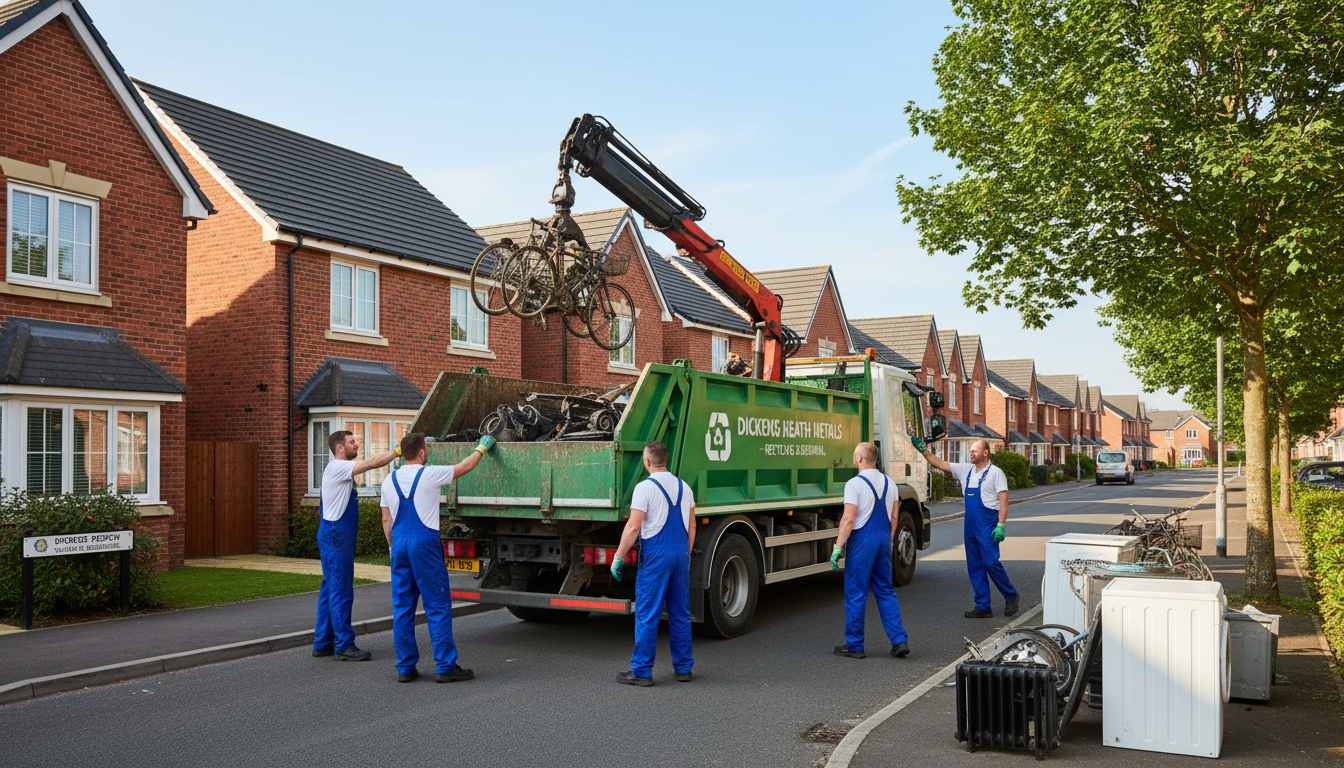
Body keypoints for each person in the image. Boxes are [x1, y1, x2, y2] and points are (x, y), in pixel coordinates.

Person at [380, 432, 496, 683]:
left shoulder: (389, 480)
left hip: (399, 544)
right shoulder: (429, 474)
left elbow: (386, 520)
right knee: (437, 605)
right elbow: (465, 466)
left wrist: (393, 548)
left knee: (402, 608)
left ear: (403, 453)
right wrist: (482, 447)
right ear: (422, 453)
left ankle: (405, 668)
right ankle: (445, 666)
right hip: (424, 546)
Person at [610, 441, 694, 686]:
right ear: (665, 460)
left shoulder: (644, 488)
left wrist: (618, 556)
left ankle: (642, 672)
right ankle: (683, 669)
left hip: (657, 556)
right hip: (680, 553)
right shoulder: (685, 487)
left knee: (648, 614)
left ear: (647, 462)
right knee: (680, 613)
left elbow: (634, 526)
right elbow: (692, 525)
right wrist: (685, 554)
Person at [313, 431, 401, 662]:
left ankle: (323, 642)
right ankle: (343, 645)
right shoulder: (338, 467)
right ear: (340, 447)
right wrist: (398, 451)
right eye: (352, 442)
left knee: (330, 587)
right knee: (341, 588)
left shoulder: (337, 469)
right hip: (336, 534)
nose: (356, 445)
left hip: (332, 533)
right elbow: (372, 463)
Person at [914, 437, 1019, 618]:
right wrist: (924, 451)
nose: (971, 453)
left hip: (988, 523)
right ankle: (983, 606)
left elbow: (1004, 501)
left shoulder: (996, 473)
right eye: (970, 450)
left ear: (985, 453)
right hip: (970, 524)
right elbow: (939, 463)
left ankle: (1011, 595)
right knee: (975, 565)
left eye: (975, 450)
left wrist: (1001, 525)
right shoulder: (966, 470)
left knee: (990, 562)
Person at [829, 442, 910, 659]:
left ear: (860, 459)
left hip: (862, 543)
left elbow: (848, 519)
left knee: (856, 592)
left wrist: (837, 547)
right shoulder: (890, 483)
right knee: (885, 590)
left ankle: (855, 645)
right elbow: (894, 517)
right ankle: (899, 640)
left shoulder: (854, 484)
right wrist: (887, 540)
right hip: (883, 540)